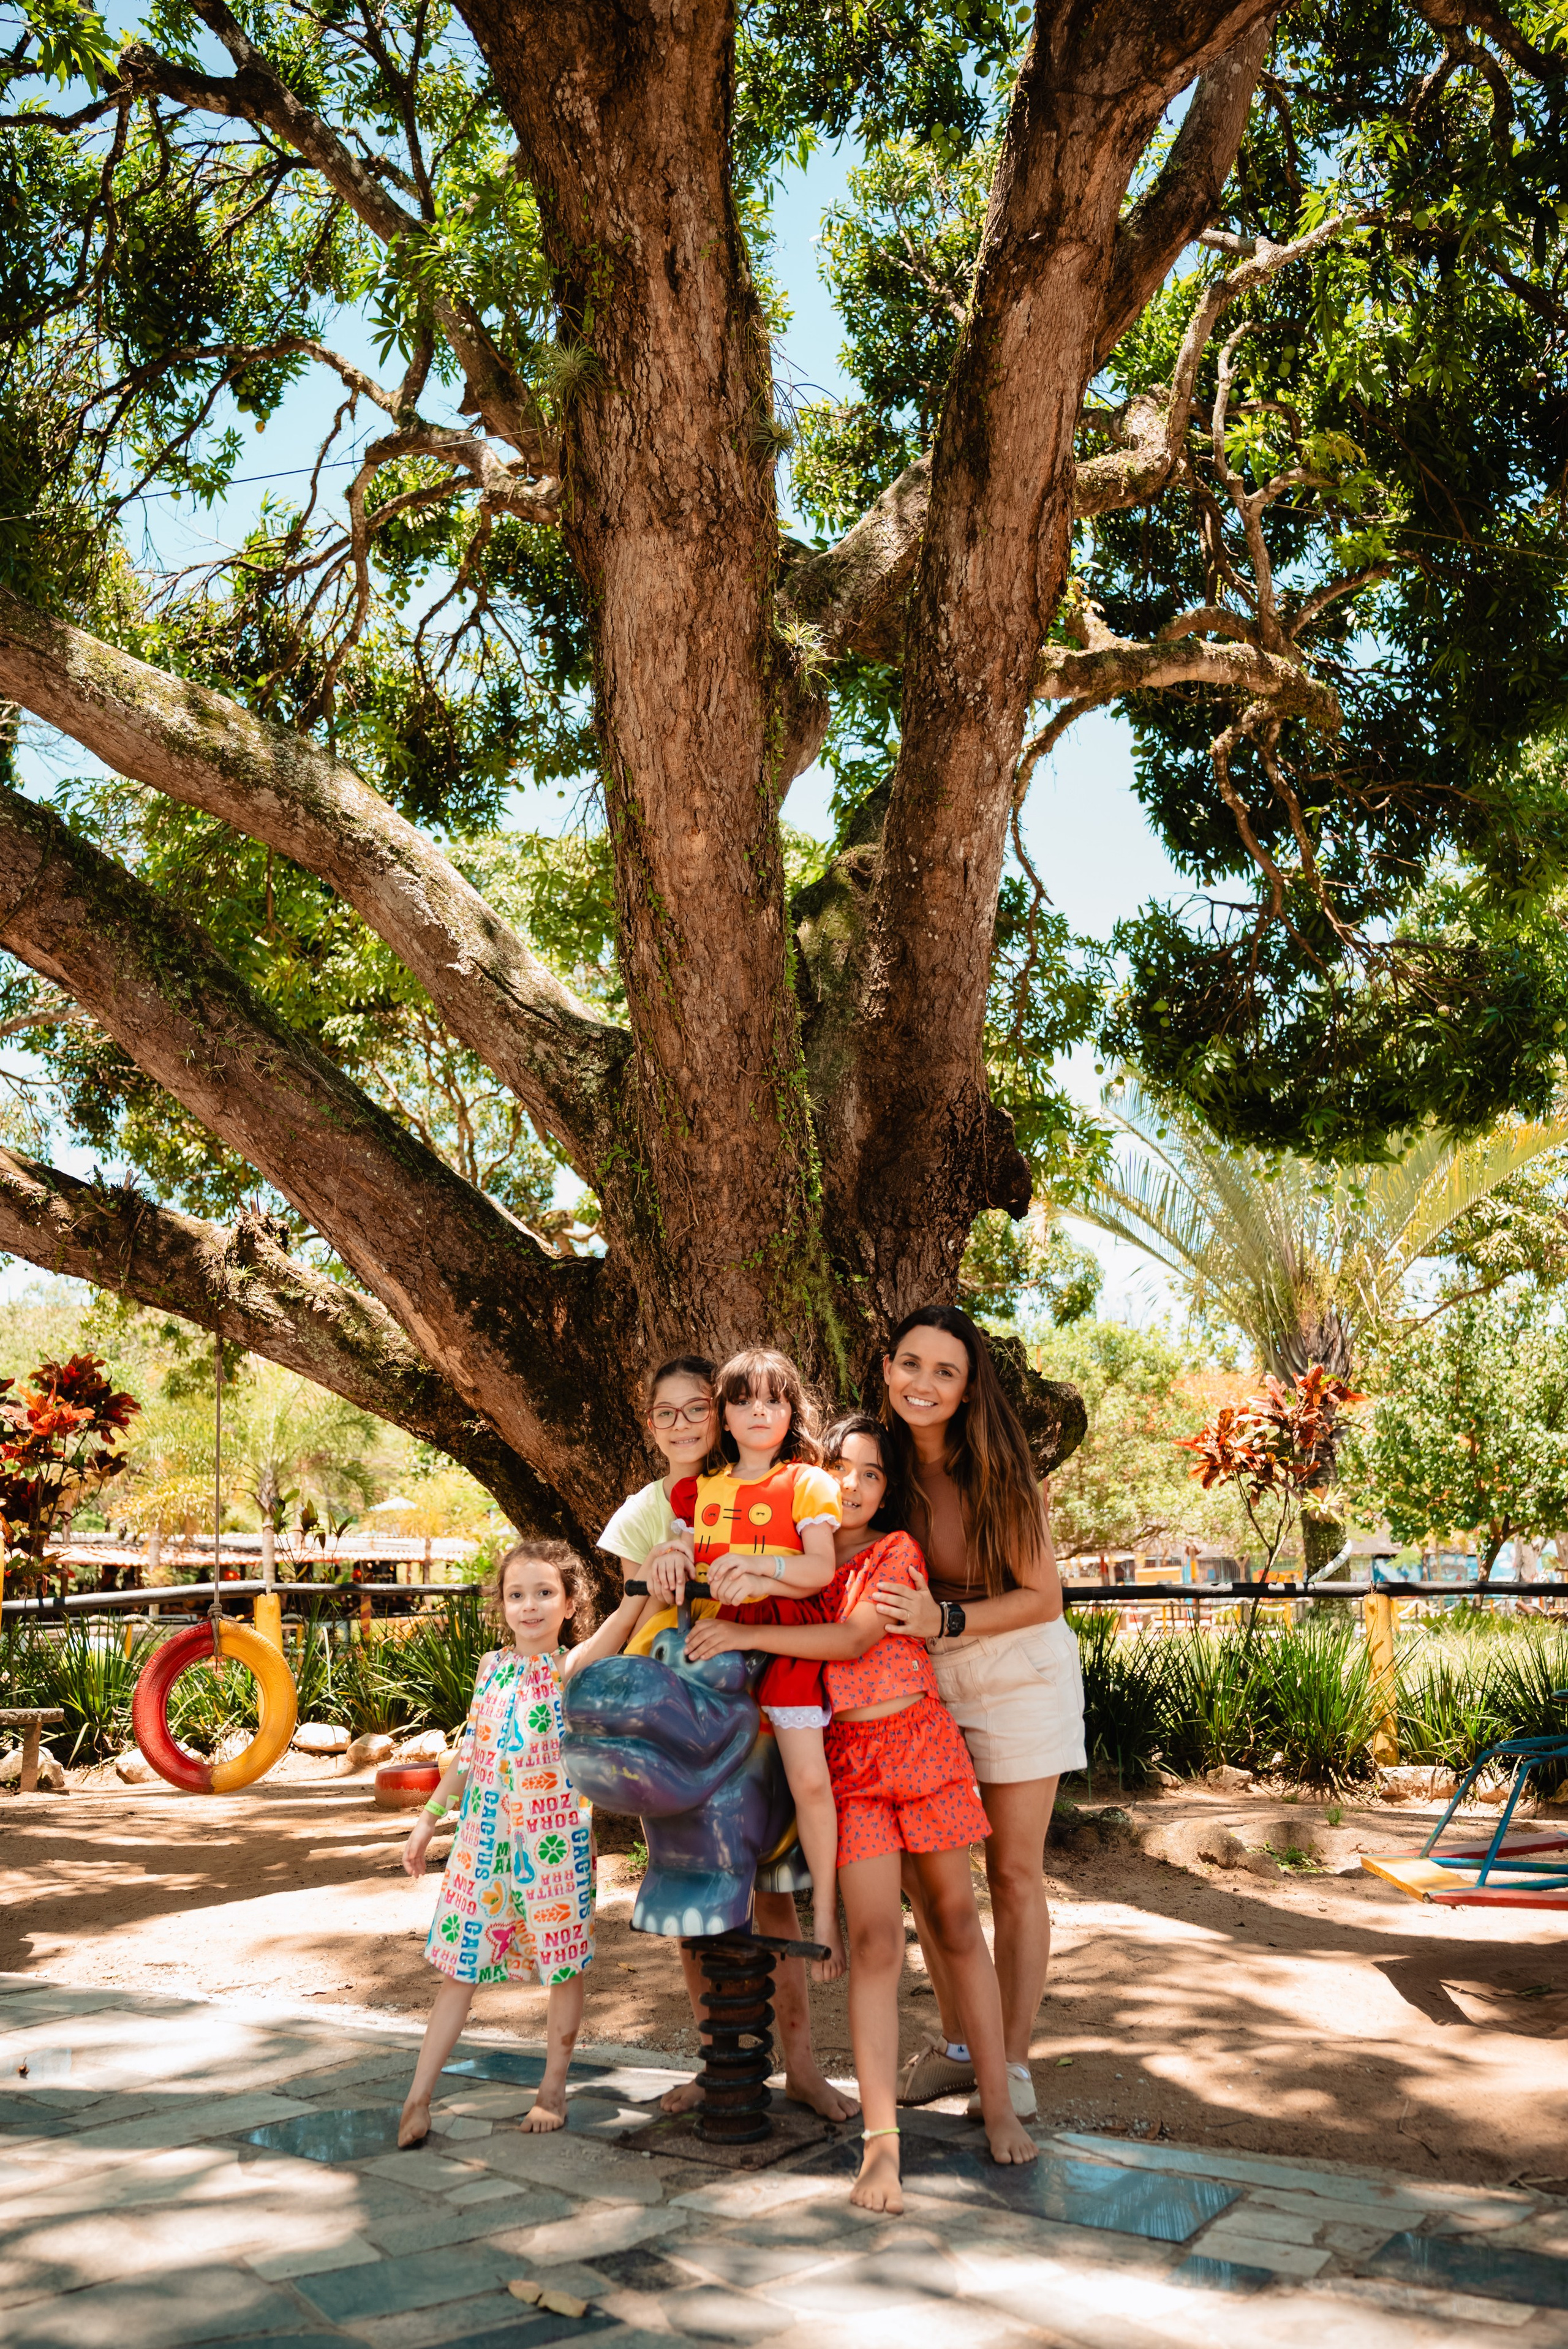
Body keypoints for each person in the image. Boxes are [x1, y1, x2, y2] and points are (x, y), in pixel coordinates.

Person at [687, 1412, 1038, 2209]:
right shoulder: (794, 1566)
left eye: (873, 1472)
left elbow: (851, 1640)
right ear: (814, 1471)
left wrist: (740, 1622)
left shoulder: (895, 1551)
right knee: (875, 1940)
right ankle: (883, 2146)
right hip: (850, 1768)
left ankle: (998, 2098)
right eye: (840, 1466)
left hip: (921, 1745)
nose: (854, 1483)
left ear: (889, 1489)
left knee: (954, 1920)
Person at [596, 1348, 857, 2124]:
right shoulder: (669, 1502)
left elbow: (813, 1570)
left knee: (772, 1889)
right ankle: (717, 2063)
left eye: (697, 1408)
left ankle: (802, 2065)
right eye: (666, 1412)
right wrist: (664, 1560)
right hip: (693, 1691)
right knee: (691, 1886)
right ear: (650, 1424)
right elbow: (640, 1605)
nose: (686, 1423)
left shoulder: (778, 1487)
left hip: (760, 1683)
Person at [872, 1303, 1085, 2119]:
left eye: (945, 1371)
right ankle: (963, 2047)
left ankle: (1014, 2061)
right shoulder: (875, 1467)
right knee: (932, 1876)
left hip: (1015, 1662)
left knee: (1014, 1873)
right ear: (888, 1368)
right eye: (912, 1364)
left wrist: (946, 1620)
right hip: (922, 1670)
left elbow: (1043, 1595)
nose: (924, 1382)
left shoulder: (999, 1466)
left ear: (966, 1390)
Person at [396, 1540, 643, 2147]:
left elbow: (619, 1624)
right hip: (482, 1844)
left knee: (561, 1965)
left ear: (568, 1604)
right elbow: (470, 1752)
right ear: (501, 1605)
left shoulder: (570, 1668)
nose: (528, 1606)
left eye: (543, 1593)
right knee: (459, 1969)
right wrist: (429, 1818)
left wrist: (642, 1586)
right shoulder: (490, 1668)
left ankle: (552, 2088)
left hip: (551, 1846)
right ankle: (417, 2097)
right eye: (516, 1595)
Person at [655, 1346, 846, 1981]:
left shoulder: (806, 1483)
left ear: (791, 1410)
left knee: (808, 1778)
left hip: (782, 1646)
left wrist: (764, 1569)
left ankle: (822, 1909)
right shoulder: (701, 1489)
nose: (758, 1411)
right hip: (714, 1644)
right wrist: (670, 1555)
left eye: (772, 1398)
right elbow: (685, 1551)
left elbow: (819, 1570)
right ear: (724, 1417)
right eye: (742, 1400)